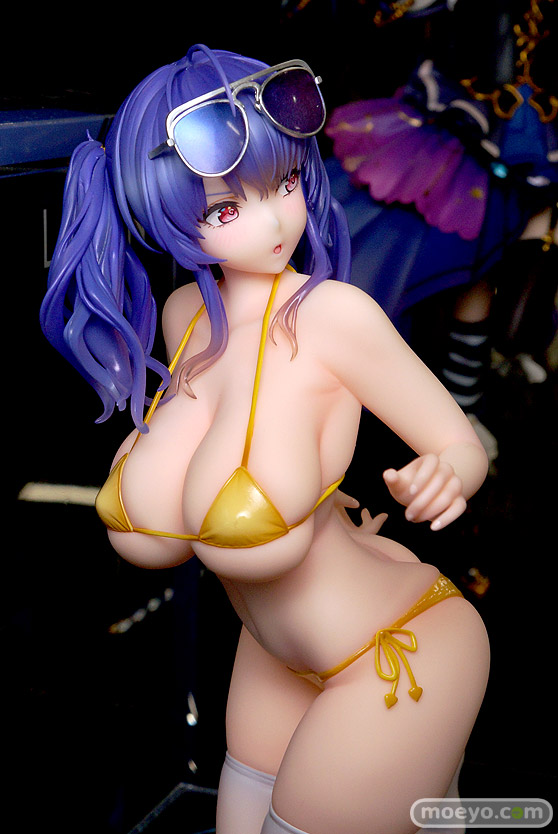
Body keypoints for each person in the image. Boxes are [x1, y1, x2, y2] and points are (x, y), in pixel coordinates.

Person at [40, 45, 490, 834]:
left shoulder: (332, 316)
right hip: (271, 656)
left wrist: (445, 473)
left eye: (285, 183)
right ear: (167, 215)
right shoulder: (186, 319)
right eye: (226, 209)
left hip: (394, 651)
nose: (279, 218)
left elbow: (460, 445)